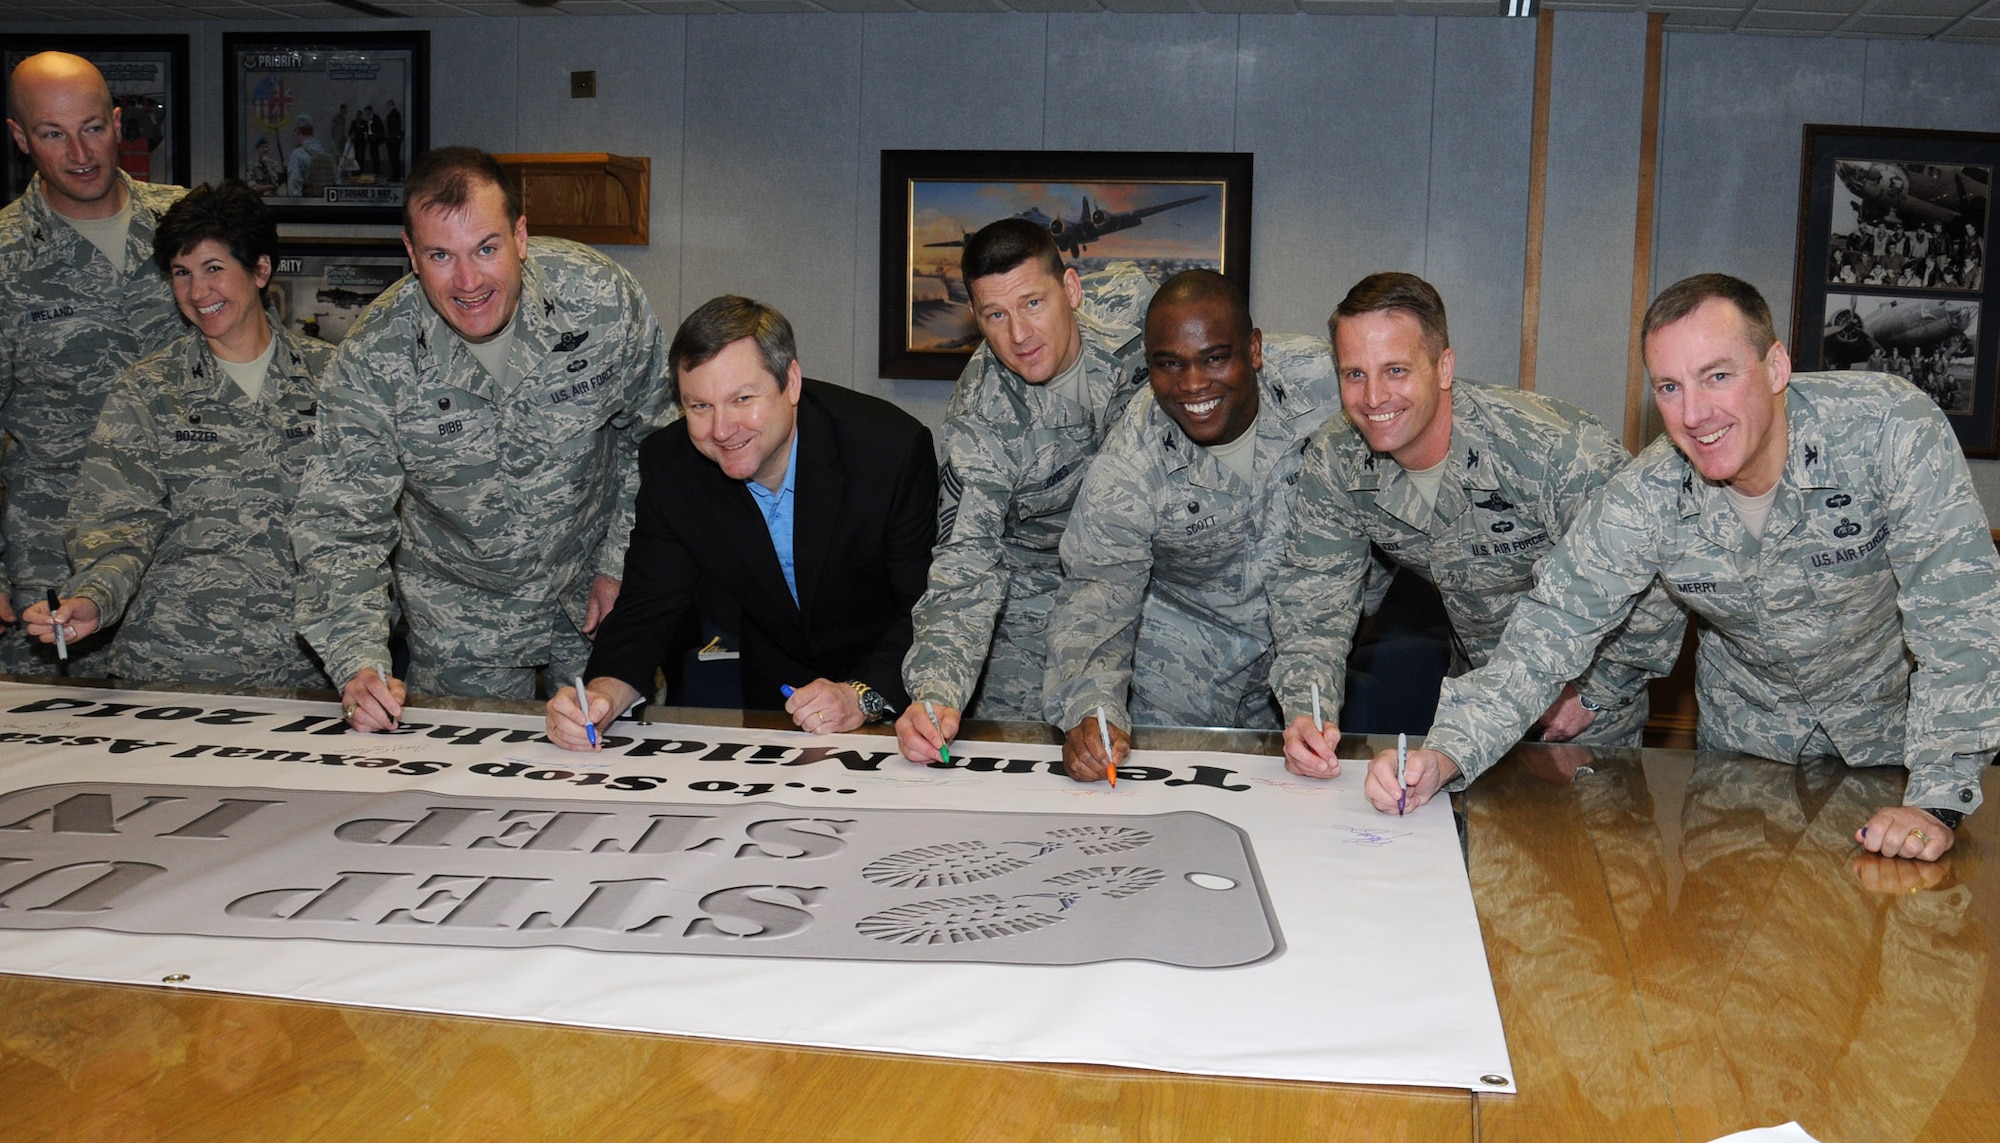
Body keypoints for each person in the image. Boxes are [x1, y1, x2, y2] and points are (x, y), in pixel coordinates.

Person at [1376, 273, 2000, 863]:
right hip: (1745, 763)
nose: (1694, 414)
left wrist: (1937, 798)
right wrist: (1446, 754)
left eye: (1718, 376)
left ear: (1776, 367)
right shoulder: (1648, 496)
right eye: (1670, 387)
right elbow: (1546, 633)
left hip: (1896, 752)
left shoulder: (1889, 429)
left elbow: (1959, 615)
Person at [292, 146, 674, 730]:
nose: (468, 282)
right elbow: (341, 523)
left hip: (597, 600)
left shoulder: (601, 302)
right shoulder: (376, 355)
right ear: (411, 254)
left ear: (521, 235)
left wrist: (624, 560)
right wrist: (359, 663)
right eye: (440, 255)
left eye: (486, 249)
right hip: (461, 622)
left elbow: (659, 443)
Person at [1272, 272, 1685, 781]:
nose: (1373, 397)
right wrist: (1306, 709)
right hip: (1473, 705)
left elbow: (1658, 576)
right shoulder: (1337, 458)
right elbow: (1314, 600)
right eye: (1354, 374)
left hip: (1581, 704)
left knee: (1589, 856)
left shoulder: (1553, 448)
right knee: (1479, 855)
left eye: (1396, 370)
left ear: (1443, 366)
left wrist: (1599, 691)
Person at [546, 296, 937, 748]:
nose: (722, 429)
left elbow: (924, 607)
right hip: (778, 707)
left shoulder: (888, 450)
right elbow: (647, 607)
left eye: (742, 399)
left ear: (790, 382)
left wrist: (862, 694)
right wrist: (601, 696)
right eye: (699, 407)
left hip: (897, 700)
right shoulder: (673, 466)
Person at [22, 180, 333, 687]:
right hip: (172, 670)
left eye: (214, 269)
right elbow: (118, 525)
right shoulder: (147, 390)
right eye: (181, 274)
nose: (197, 292)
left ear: (260, 269)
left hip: (308, 671)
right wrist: (94, 599)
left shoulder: (336, 379)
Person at [1043, 270, 1339, 782]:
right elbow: (1097, 591)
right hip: (1182, 657)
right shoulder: (1131, 457)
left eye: (1215, 358)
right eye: (1169, 364)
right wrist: (1091, 707)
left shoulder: (1325, 383)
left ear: (1254, 348)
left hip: (1310, 637)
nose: (1193, 384)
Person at [896, 217, 1154, 762]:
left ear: (1072, 289)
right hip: (1039, 586)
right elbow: (965, 566)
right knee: (1021, 758)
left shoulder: (1140, 308)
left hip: (1156, 573)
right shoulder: (980, 418)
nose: (1019, 335)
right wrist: (936, 693)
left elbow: (1224, 352)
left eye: (1033, 304)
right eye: (996, 315)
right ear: (976, 318)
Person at [0, 51, 186, 676]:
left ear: (116, 121)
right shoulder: (4, 258)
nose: (81, 153)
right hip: (54, 557)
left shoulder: (185, 226)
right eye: (54, 134)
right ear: (21, 138)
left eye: (93, 127)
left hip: (194, 554)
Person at [284, 115, 333, 198]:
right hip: (326, 203)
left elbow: (295, 183)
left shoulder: (297, 154)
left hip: (308, 203)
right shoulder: (326, 153)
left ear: (298, 132)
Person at [384, 100, 405, 182]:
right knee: (394, 158)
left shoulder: (394, 114)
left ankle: (396, 176)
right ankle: (395, 175)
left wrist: (393, 135)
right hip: (393, 138)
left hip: (393, 139)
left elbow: (394, 126)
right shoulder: (395, 113)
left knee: (394, 158)